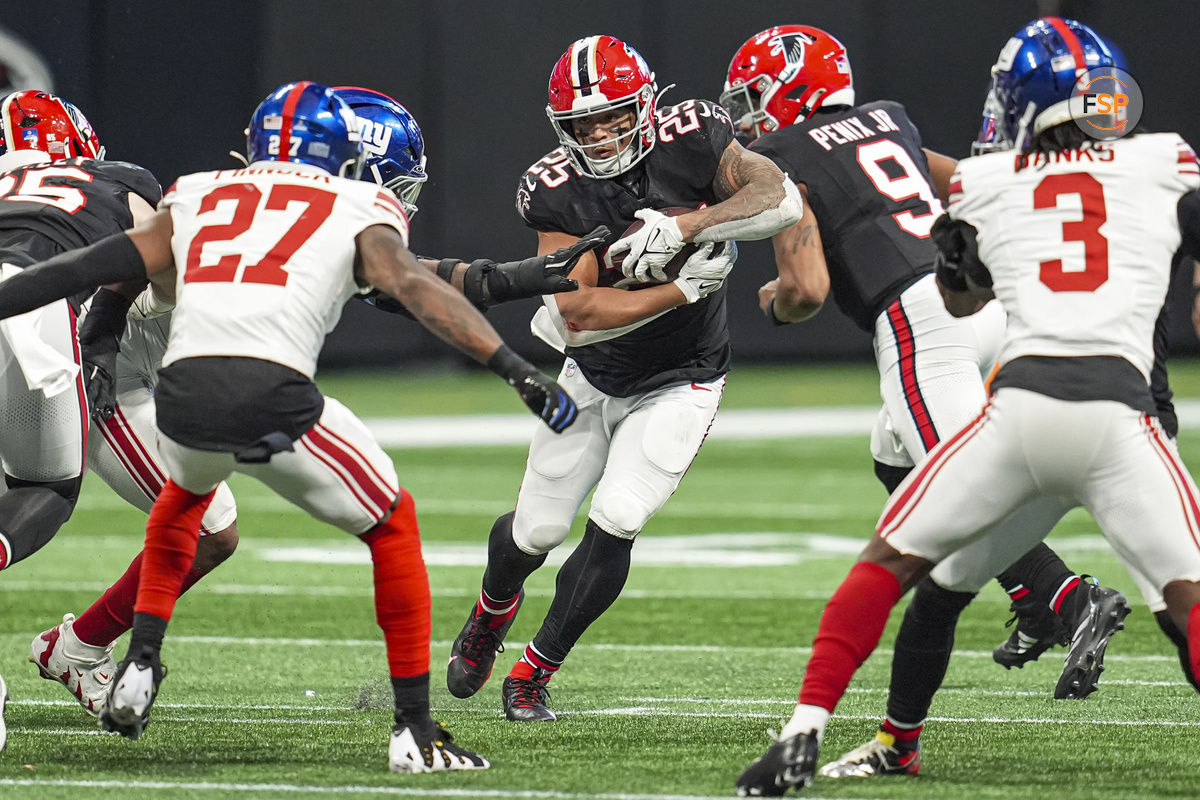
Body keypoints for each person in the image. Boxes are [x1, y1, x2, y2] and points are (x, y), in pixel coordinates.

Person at [0, 81, 604, 772]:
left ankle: (123, 656)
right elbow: (411, 284)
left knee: (194, 512)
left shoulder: (198, 191)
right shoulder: (344, 204)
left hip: (164, 383)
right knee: (387, 520)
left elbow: (104, 265)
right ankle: (415, 730)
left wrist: (523, 277)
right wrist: (514, 364)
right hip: (136, 375)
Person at [735, 18, 1200, 795]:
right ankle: (907, 732)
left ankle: (809, 728)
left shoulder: (990, 184)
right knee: (1183, 603)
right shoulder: (1165, 160)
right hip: (1123, 412)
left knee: (904, 567)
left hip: (1005, 396)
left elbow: (929, 294)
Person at [25, 86, 457, 721]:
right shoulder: (232, 204)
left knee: (206, 523)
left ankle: (91, 646)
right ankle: (83, 647)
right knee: (205, 524)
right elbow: (125, 271)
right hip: (104, 377)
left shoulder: (250, 201)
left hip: (159, 379)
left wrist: (519, 280)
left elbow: (406, 282)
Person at [442, 33, 804, 723]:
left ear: (645, 106)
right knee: (534, 532)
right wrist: (682, 289)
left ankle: (534, 673)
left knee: (619, 517)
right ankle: (491, 612)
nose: (601, 134)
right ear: (562, 130)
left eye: (613, 116)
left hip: (684, 375)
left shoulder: (694, 135)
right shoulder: (554, 189)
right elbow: (579, 317)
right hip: (594, 373)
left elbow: (778, 196)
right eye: (584, 124)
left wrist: (690, 225)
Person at [0, 89, 162, 750]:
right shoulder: (116, 178)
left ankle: (78, 647)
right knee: (46, 487)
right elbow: (160, 258)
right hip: (29, 308)